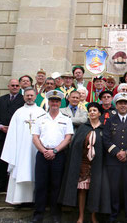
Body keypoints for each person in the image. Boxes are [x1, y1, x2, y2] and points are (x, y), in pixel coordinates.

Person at [59, 102, 108, 223]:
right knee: (82, 190)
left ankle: (93, 216)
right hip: (84, 163)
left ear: (99, 113)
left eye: (94, 110)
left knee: (95, 190)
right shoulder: (83, 128)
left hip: (98, 164)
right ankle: (80, 216)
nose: (92, 112)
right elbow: (76, 145)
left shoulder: (103, 129)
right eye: (90, 110)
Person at [31, 90, 74, 223]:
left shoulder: (66, 119)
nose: (54, 103)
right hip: (42, 155)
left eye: (57, 101)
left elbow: (68, 138)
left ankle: (56, 214)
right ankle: (38, 214)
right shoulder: (40, 119)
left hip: (59, 155)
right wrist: (44, 151)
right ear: (48, 102)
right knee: (40, 185)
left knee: (57, 185)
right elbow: (35, 138)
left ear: (60, 103)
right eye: (52, 101)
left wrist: (55, 151)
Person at [1, 87, 45, 204]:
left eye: (31, 95)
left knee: (36, 171)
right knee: (20, 170)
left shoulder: (41, 112)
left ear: (36, 97)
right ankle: (18, 199)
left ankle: (34, 200)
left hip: (36, 149)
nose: (29, 97)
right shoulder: (18, 112)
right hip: (20, 150)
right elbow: (11, 134)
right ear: (24, 96)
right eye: (27, 95)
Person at [104, 93, 127, 223]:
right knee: (114, 188)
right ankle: (114, 214)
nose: (123, 105)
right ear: (116, 105)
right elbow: (106, 140)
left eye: (125, 103)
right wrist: (117, 152)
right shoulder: (109, 121)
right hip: (113, 161)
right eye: (120, 103)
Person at [0, 79, 24, 193]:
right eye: (13, 85)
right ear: (8, 86)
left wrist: (12, 128)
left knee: (13, 160)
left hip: (15, 135)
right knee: (1, 159)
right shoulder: (2, 99)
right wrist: (0, 126)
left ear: (19, 87)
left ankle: (11, 186)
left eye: (16, 85)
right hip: (2, 134)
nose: (15, 87)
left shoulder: (23, 100)